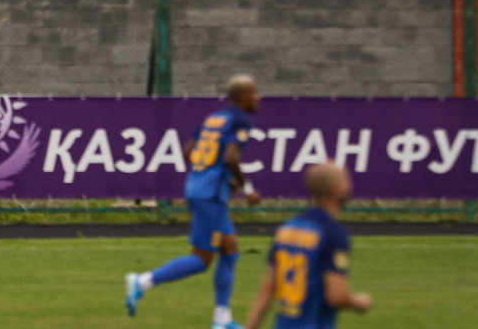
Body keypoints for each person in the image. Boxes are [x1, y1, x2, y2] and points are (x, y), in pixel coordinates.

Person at [125, 74, 262, 329]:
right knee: (201, 260)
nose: (258, 97)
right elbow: (231, 157)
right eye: (254, 92)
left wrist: (207, 174)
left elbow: (188, 151)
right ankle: (142, 282)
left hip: (201, 188)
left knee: (230, 249)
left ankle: (222, 319)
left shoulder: (215, 118)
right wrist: (247, 188)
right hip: (209, 196)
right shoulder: (241, 120)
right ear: (243, 96)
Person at [243, 162, 371, 329]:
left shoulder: (288, 228)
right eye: (345, 181)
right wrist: (358, 302)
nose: (350, 185)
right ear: (335, 189)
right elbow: (336, 296)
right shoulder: (332, 233)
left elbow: (266, 291)